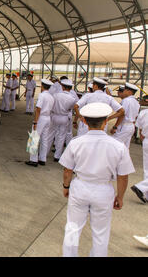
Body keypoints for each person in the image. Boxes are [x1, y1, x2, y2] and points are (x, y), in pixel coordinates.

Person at [59, 102, 135, 257]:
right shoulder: (118, 146)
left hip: (80, 187)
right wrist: (120, 196)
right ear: (106, 121)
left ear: (84, 121)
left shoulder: (76, 143)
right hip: (103, 189)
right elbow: (123, 176)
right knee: (100, 233)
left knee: (73, 228)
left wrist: (66, 186)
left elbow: (67, 170)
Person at [25, 79, 54, 167]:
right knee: (44, 139)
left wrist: (35, 122)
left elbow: (38, 109)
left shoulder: (42, 95)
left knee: (34, 137)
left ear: (42, 86)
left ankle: (33, 160)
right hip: (48, 118)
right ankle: (42, 159)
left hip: (41, 118)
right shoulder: (51, 96)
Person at [46, 79, 77, 162]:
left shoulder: (56, 95)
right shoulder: (72, 98)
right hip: (64, 117)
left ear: (62, 87)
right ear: (70, 88)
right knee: (61, 136)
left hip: (54, 115)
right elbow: (71, 108)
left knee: (50, 135)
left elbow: (51, 104)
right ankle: (57, 156)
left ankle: (44, 153)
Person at [112, 83, 140, 148]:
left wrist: (115, 126)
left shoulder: (126, 101)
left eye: (124, 90)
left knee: (115, 146)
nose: (123, 92)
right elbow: (136, 116)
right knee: (125, 147)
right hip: (131, 126)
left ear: (129, 91)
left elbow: (122, 114)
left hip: (123, 126)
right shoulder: (136, 102)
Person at [131, 107, 148, 204]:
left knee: (147, 168)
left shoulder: (144, 112)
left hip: (146, 140)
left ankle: (146, 193)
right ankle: (141, 187)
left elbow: (140, 129)